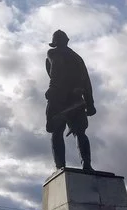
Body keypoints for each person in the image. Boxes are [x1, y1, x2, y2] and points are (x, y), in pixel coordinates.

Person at [44, 29, 96, 172]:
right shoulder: (78, 58)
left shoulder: (53, 53)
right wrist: (90, 103)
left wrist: (52, 88)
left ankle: (60, 166)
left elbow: (55, 69)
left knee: (56, 130)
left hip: (59, 98)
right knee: (80, 133)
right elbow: (86, 82)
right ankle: (86, 165)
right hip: (76, 100)